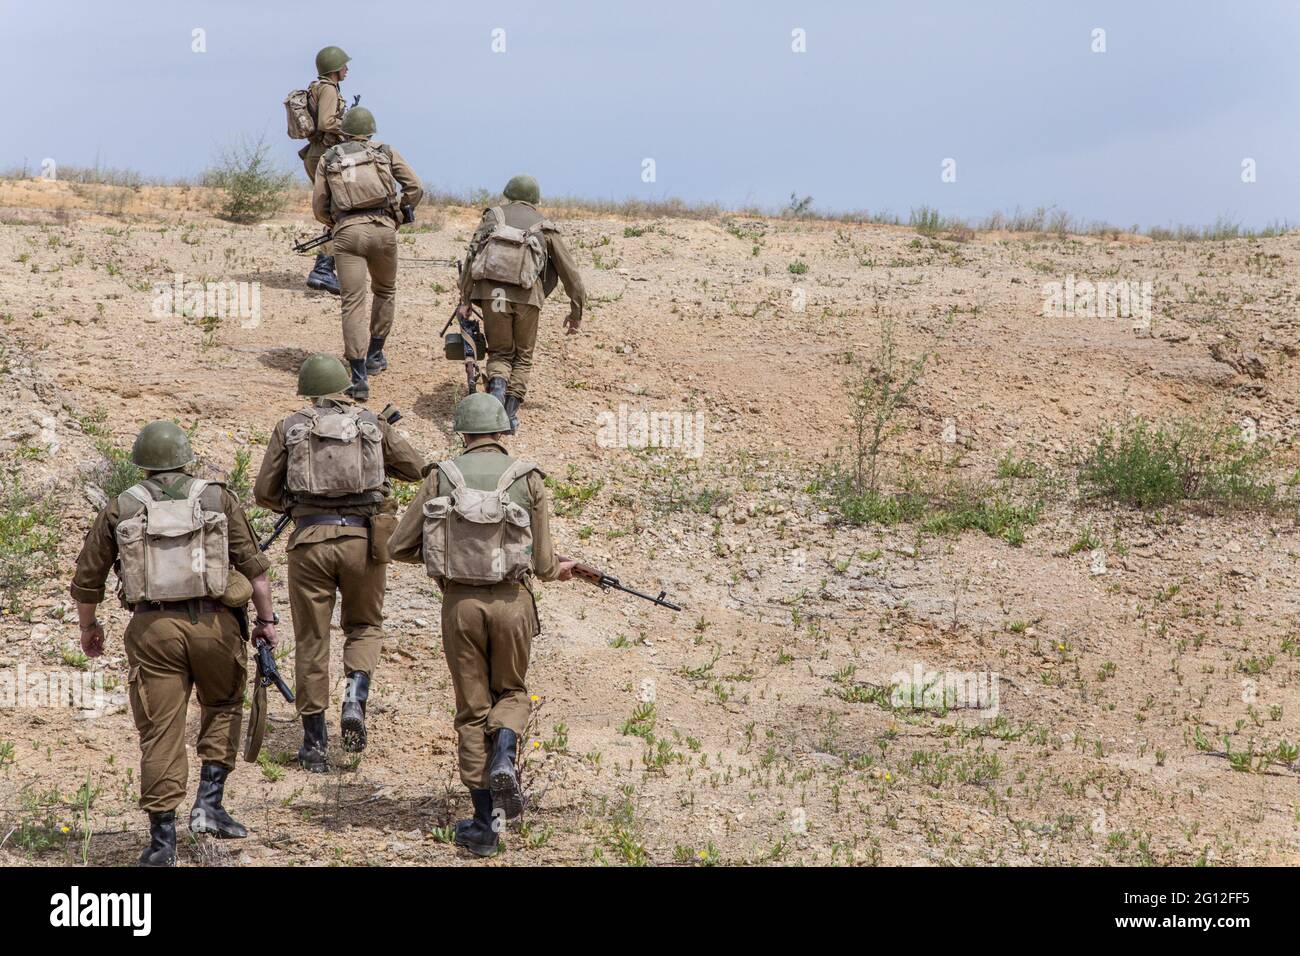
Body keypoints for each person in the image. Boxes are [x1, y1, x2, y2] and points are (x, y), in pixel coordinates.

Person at [70, 421, 277, 866]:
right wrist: (266, 621)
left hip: (153, 630)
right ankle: (210, 806)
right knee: (222, 705)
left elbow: (88, 581)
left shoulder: (122, 506)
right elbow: (255, 572)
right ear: (187, 459)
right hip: (217, 625)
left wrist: (90, 627)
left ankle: (162, 842)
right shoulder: (218, 498)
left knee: (160, 729)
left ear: (141, 465)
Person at [389, 393, 577, 856]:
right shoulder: (527, 478)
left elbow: (398, 546)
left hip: (459, 605)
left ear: (463, 433)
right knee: (511, 692)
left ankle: (483, 825)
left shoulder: (441, 476)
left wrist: (441, 556)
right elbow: (546, 561)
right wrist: (563, 569)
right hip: (513, 602)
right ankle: (506, 752)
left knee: (472, 710)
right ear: (501, 431)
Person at [253, 353, 426, 771]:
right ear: (345, 388)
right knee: (365, 626)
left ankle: (314, 744)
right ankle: (355, 696)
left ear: (309, 393)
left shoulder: (290, 427)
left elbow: (264, 492)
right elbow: (418, 468)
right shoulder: (371, 423)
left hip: (309, 542)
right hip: (364, 542)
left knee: (312, 639)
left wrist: (298, 505)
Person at [455, 175, 586, 432]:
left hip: (493, 295)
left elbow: (472, 258)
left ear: (508, 194)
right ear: (535, 199)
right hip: (528, 298)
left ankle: (495, 401)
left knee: (500, 352)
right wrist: (576, 311)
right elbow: (571, 274)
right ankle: (510, 415)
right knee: (523, 358)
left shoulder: (492, 217)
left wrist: (465, 299)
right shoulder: (544, 227)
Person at [311, 107, 424, 400]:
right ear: (371, 131)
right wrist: (399, 214)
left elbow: (319, 207)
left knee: (352, 303)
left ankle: (359, 377)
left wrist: (335, 223)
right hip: (384, 230)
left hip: (347, 233)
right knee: (385, 290)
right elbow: (415, 187)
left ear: (345, 131)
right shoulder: (385, 152)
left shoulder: (329, 157)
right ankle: (375, 354)